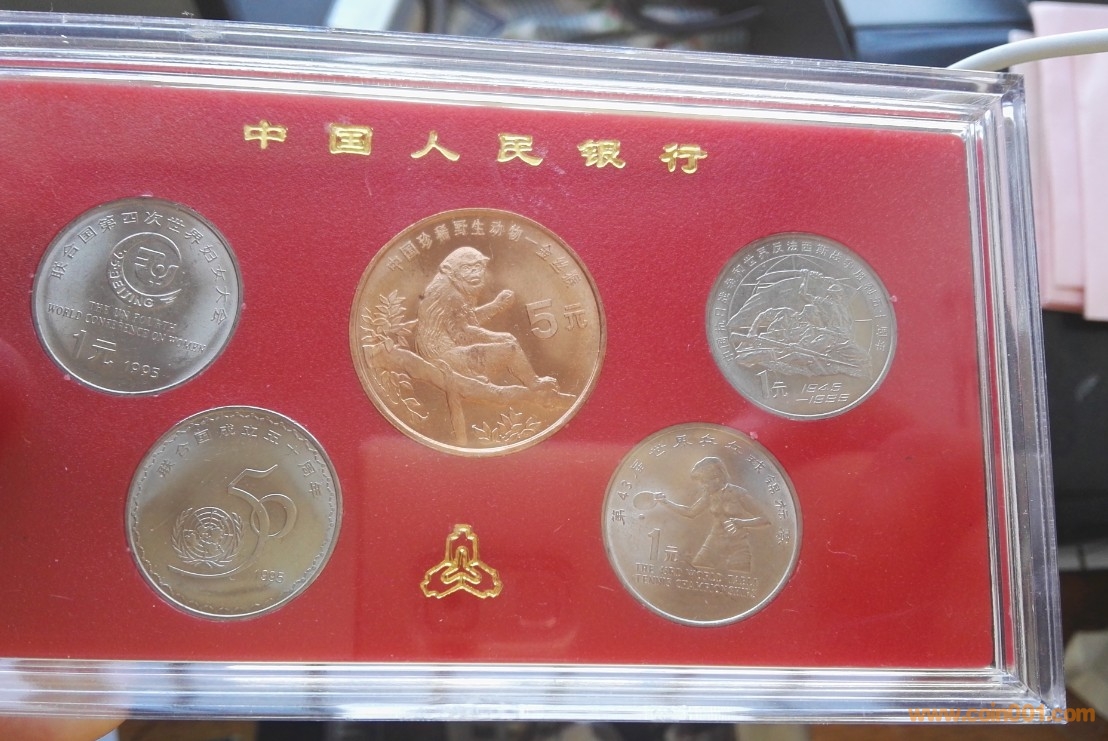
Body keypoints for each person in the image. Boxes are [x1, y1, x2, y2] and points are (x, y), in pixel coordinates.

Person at [414, 246, 557, 392]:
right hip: (443, 358)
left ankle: (472, 377)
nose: (475, 272)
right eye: (466, 268)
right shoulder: (452, 295)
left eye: (478, 266)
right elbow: (463, 334)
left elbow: (466, 321)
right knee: (510, 348)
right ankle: (533, 383)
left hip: (446, 353)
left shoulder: (453, 288)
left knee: (506, 340)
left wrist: (496, 306)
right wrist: (498, 337)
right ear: (449, 270)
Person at [655, 456, 768, 572]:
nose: (702, 486)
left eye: (704, 482)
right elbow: (690, 512)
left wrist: (741, 523)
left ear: (717, 479)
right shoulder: (709, 495)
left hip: (737, 545)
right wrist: (666, 503)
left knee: (739, 575)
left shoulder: (739, 493)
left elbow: (765, 519)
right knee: (698, 568)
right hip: (713, 543)